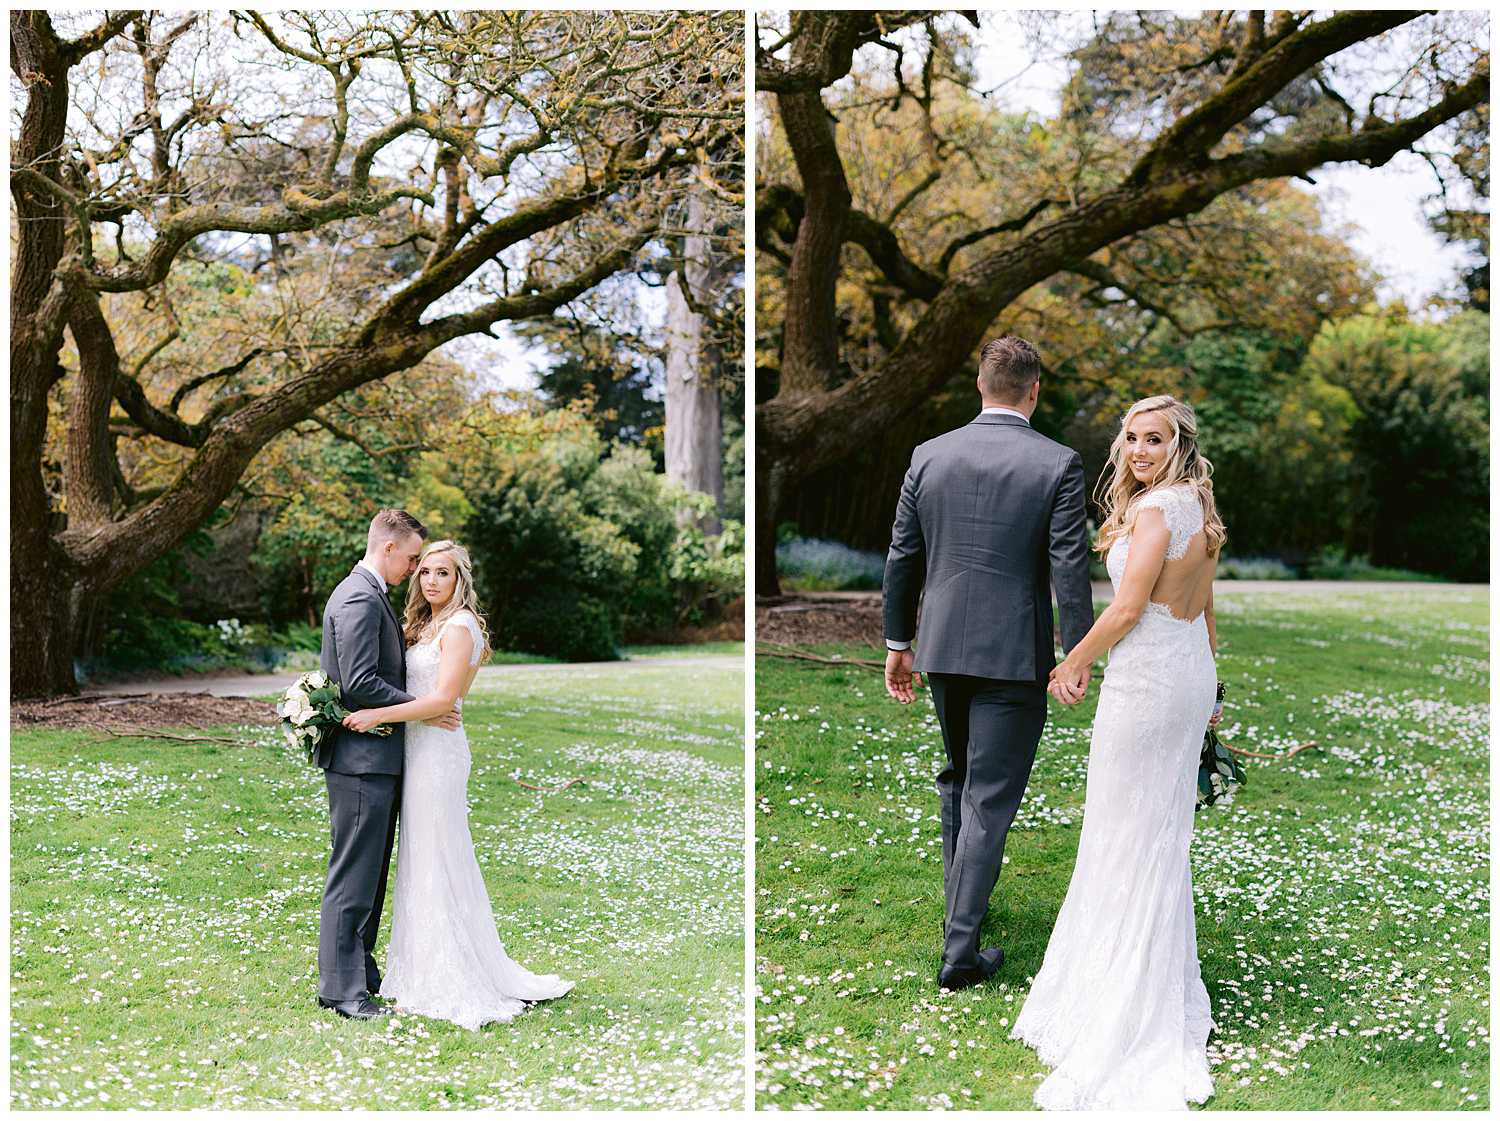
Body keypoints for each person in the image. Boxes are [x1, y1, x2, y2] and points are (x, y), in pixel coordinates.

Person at [1010, 394, 1225, 1110]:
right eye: (1130, 437)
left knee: (1123, 833)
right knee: (1159, 834)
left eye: (1154, 438)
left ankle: (1122, 996)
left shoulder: (1158, 508)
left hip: (1147, 683)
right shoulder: (1200, 504)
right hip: (1187, 673)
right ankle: (1145, 976)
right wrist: (1214, 685)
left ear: (1178, 443)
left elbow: (1129, 609)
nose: (1137, 450)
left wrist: (1073, 661)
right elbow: (1207, 605)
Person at [882, 335, 1095, 992]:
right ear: (1034, 390)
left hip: (943, 645)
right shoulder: (1058, 463)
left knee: (959, 778)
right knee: (988, 796)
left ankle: (959, 911)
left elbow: (902, 557)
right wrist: (1076, 650)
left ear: (980, 384)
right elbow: (1069, 565)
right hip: (1012, 654)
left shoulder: (929, 454)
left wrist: (898, 642)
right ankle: (960, 952)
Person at [342, 539, 574, 1028]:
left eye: (442, 573)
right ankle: (416, 969)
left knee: (436, 853)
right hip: (416, 747)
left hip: (437, 755)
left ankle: (448, 974)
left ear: (459, 579)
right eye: (424, 571)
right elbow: (436, 696)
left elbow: (447, 697)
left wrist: (379, 714)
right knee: (419, 855)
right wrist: (426, 709)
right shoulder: (423, 625)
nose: (430, 581)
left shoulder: (462, 626)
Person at [316, 509, 461, 1020]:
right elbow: (359, 684)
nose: (416, 569)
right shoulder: (358, 596)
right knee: (354, 876)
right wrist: (421, 706)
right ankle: (340, 990)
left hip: (375, 758)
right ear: (389, 550)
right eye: (413, 558)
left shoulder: (370, 593)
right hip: (361, 760)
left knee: (371, 875)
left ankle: (360, 974)